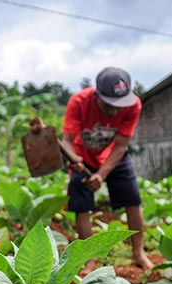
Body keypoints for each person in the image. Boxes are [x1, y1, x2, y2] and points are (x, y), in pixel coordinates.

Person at [60, 66, 154, 270]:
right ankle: (89, 258)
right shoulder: (79, 102)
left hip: (114, 156)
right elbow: (66, 140)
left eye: (119, 105)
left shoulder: (133, 105)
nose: (114, 111)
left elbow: (121, 145)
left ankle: (139, 253)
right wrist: (74, 159)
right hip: (82, 157)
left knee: (133, 200)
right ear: (97, 94)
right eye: (109, 104)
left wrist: (101, 175)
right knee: (81, 204)